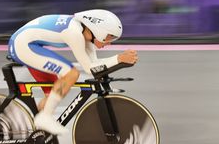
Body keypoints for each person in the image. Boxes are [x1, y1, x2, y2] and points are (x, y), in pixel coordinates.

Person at [8, 9, 138, 135]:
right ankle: (44, 118)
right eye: (109, 37)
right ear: (98, 30)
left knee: (52, 96)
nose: (110, 43)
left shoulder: (85, 34)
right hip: (22, 45)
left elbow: (95, 66)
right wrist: (119, 58)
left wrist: (120, 61)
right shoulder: (74, 33)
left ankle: (35, 132)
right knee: (71, 74)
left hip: (28, 43)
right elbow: (89, 68)